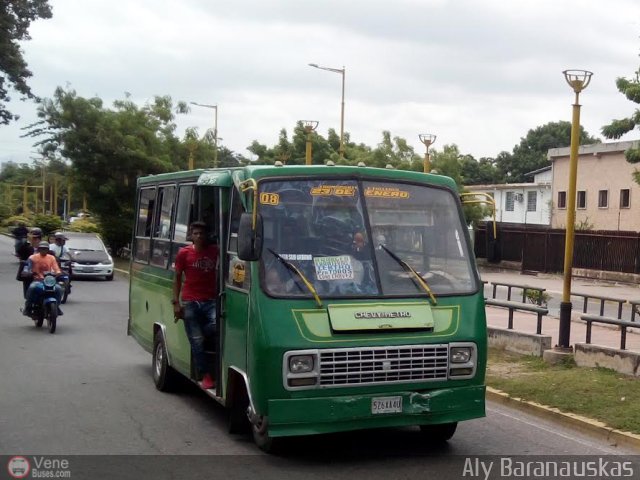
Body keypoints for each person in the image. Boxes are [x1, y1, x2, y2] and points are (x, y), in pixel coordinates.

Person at [172, 221, 219, 390]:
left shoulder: (215, 251)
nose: (199, 236)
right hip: (190, 301)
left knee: (215, 325)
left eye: (202, 234)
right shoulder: (183, 254)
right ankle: (205, 375)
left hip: (210, 301)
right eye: (196, 233)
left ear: (207, 236)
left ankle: (200, 335)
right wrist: (176, 303)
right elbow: (177, 278)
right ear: (191, 235)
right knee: (197, 342)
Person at [23, 243, 64, 317]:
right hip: (37, 280)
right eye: (42, 248)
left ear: (48, 250)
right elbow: (27, 266)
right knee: (32, 288)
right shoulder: (32, 257)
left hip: (50, 280)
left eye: (45, 249)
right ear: (39, 249)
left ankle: (57, 306)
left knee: (59, 289)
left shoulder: (51, 258)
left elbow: (56, 267)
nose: (43, 250)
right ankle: (28, 307)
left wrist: (58, 272)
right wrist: (27, 272)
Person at [16, 228, 43, 299]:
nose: (34, 240)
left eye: (36, 238)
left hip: (42, 271)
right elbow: (19, 252)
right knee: (28, 294)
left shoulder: (44, 248)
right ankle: (27, 308)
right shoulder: (26, 247)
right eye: (32, 238)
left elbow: (52, 257)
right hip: (29, 272)